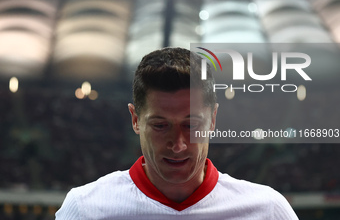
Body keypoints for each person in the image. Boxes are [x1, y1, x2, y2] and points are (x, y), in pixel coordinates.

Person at [55, 47, 299, 219]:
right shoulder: (85, 210)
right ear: (136, 119)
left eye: (191, 125)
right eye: (160, 125)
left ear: (213, 119)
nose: (178, 144)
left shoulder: (268, 211)